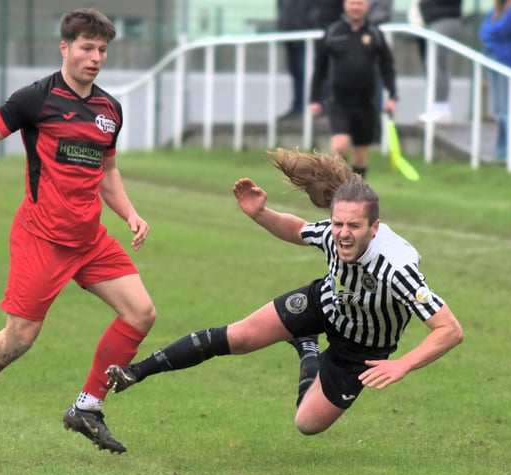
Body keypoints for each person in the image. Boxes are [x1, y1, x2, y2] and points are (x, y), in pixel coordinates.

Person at [0, 8, 156, 462]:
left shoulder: (109, 109)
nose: (96, 57)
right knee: (17, 340)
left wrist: (130, 214)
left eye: (102, 49)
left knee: (141, 313)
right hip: (42, 238)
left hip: (90, 239)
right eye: (87, 48)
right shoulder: (36, 99)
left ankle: (88, 407)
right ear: (64, 48)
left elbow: (107, 171)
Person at [106, 149, 463, 436]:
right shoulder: (332, 232)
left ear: (375, 227)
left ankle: (307, 345)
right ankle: (135, 372)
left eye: (354, 226)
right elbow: (299, 230)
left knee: (306, 424)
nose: (343, 233)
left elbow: (450, 329)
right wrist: (260, 214)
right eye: (338, 223)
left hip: (363, 346)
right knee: (240, 336)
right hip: (328, 303)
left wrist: (402, 364)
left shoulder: (395, 268)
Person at [309, 0, 398, 179]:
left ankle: (357, 194)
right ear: (345, 5)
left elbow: (387, 67)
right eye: (352, 3)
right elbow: (319, 69)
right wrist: (315, 98)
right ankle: (338, 188)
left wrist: (392, 96)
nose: (356, 7)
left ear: (366, 6)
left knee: (360, 154)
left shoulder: (375, 33)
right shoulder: (333, 32)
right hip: (339, 101)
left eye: (360, 3)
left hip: (366, 102)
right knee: (340, 145)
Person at [480, 0, 511, 161]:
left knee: (508, 109)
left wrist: (492, 32)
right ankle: (501, 151)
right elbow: (484, 31)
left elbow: (502, 30)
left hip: (507, 61)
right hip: (492, 59)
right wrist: (492, 32)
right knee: (498, 110)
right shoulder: (495, 10)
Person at [417, 0, 463, 123]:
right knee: (431, 64)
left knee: (436, 64)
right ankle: (435, 105)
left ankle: (441, 107)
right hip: (430, 20)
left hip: (444, 18)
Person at [277, 0, 314, 120]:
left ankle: (313, 108)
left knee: (307, 73)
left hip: (306, 35)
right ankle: (298, 107)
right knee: (296, 73)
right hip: (289, 35)